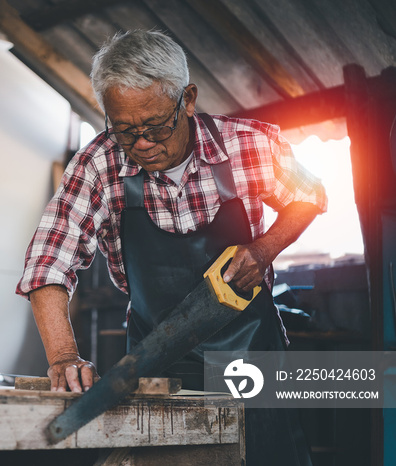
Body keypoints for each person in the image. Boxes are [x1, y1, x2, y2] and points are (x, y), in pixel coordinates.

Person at [17, 30, 325, 465]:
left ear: (188, 100)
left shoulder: (247, 143)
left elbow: (311, 192)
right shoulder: (98, 166)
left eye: (156, 126)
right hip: (156, 358)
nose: (142, 143)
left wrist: (266, 247)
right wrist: (64, 358)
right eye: (124, 130)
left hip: (251, 353)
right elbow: (47, 264)